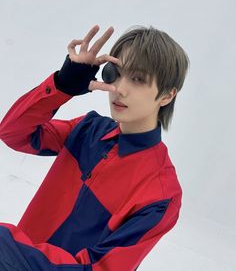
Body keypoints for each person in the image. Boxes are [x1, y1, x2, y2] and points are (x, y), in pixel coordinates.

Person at [0, 24, 190, 270]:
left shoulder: (161, 194)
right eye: (116, 73)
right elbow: (13, 133)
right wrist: (62, 86)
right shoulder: (88, 129)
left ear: (167, 95)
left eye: (138, 79)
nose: (119, 89)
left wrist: (5, 245)